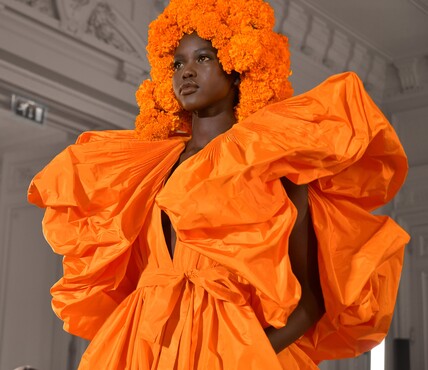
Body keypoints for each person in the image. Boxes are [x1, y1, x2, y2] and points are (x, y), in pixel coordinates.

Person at [28, 0, 410, 369]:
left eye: (203, 57)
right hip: (142, 344)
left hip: (233, 347)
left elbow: (311, 302)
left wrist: (242, 355)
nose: (186, 72)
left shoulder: (273, 167)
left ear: (239, 66)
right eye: (177, 62)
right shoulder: (148, 166)